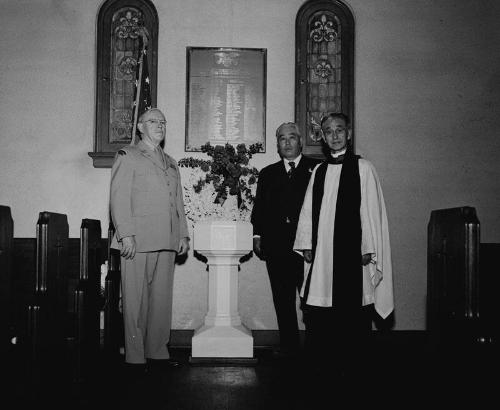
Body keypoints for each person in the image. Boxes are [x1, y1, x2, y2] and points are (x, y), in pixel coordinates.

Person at [293, 113, 393, 376]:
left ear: (348, 133)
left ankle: (353, 367)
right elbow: (307, 212)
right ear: (323, 137)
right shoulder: (319, 171)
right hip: (323, 252)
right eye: (328, 131)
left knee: (352, 308)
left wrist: (368, 248)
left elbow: (371, 211)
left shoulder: (364, 168)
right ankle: (322, 365)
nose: (334, 135)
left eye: (339, 130)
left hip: (353, 252)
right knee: (320, 307)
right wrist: (306, 244)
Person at [110, 108, 190, 371]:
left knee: (160, 299)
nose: (160, 125)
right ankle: (135, 355)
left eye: (163, 122)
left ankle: (157, 350)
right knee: (135, 299)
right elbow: (119, 198)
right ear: (140, 128)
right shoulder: (129, 155)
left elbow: (177, 202)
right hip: (138, 239)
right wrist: (126, 234)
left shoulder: (171, 161)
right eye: (153, 121)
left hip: (166, 239)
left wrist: (182, 234)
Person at [251, 122, 318, 359]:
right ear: (277, 145)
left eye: (292, 138)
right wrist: (257, 235)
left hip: (308, 248)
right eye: (282, 139)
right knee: (282, 299)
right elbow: (259, 208)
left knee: (312, 301)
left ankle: (316, 348)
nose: (287, 142)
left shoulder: (317, 169)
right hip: (276, 247)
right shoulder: (268, 173)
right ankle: (289, 346)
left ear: (301, 141)